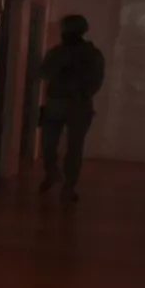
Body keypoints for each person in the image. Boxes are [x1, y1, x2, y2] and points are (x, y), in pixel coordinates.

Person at [36, 14, 105, 202]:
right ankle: (55, 176)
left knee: (72, 149)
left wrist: (81, 90)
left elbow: (96, 79)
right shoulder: (59, 52)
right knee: (50, 146)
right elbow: (43, 72)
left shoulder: (90, 54)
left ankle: (68, 186)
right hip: (59, 102)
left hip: (76, 104)